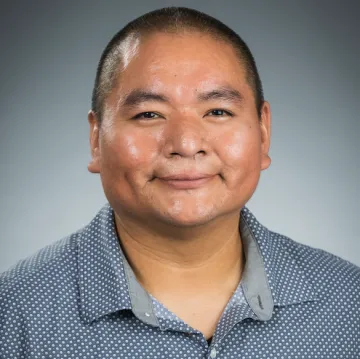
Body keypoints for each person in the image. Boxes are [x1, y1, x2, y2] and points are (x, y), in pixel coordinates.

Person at [1, 6, 359, 359]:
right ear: (96, 140)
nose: (186, 144)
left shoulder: (348, 302)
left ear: (263, 132)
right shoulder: (14, 313)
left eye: (218, 112)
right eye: (149, 114)